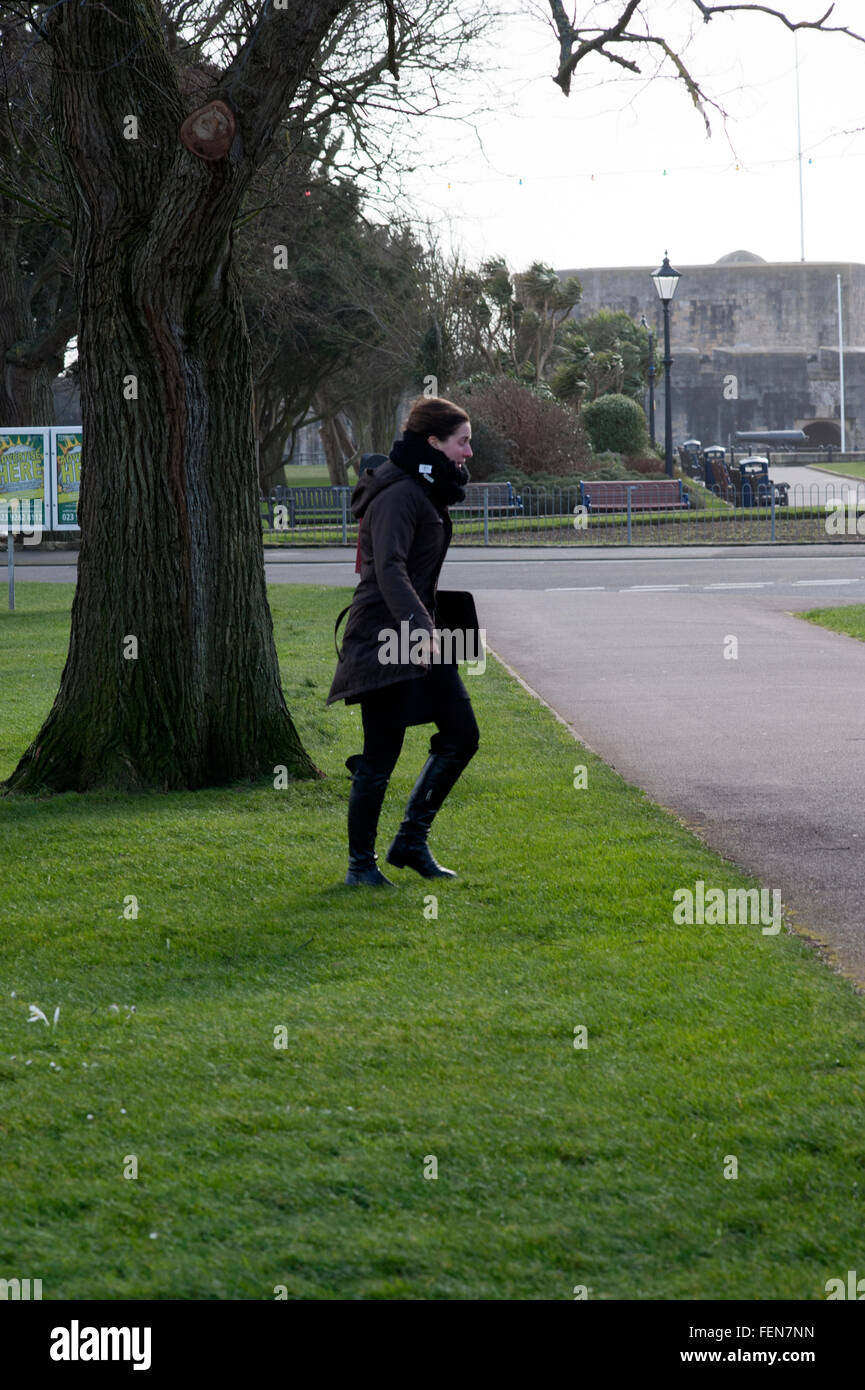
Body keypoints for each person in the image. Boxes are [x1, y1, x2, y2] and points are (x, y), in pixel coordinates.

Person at [326, 396, 480, 886]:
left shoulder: (424, 486)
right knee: (379, 756)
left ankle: (411, 841)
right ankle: (360, 868)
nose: (469, 452)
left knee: (461, 735)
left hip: (421, 634)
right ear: (433, 442)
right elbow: (387, 567)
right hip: (384, 637)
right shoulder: (398, 493)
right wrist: (419, 627)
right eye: (463, 442)